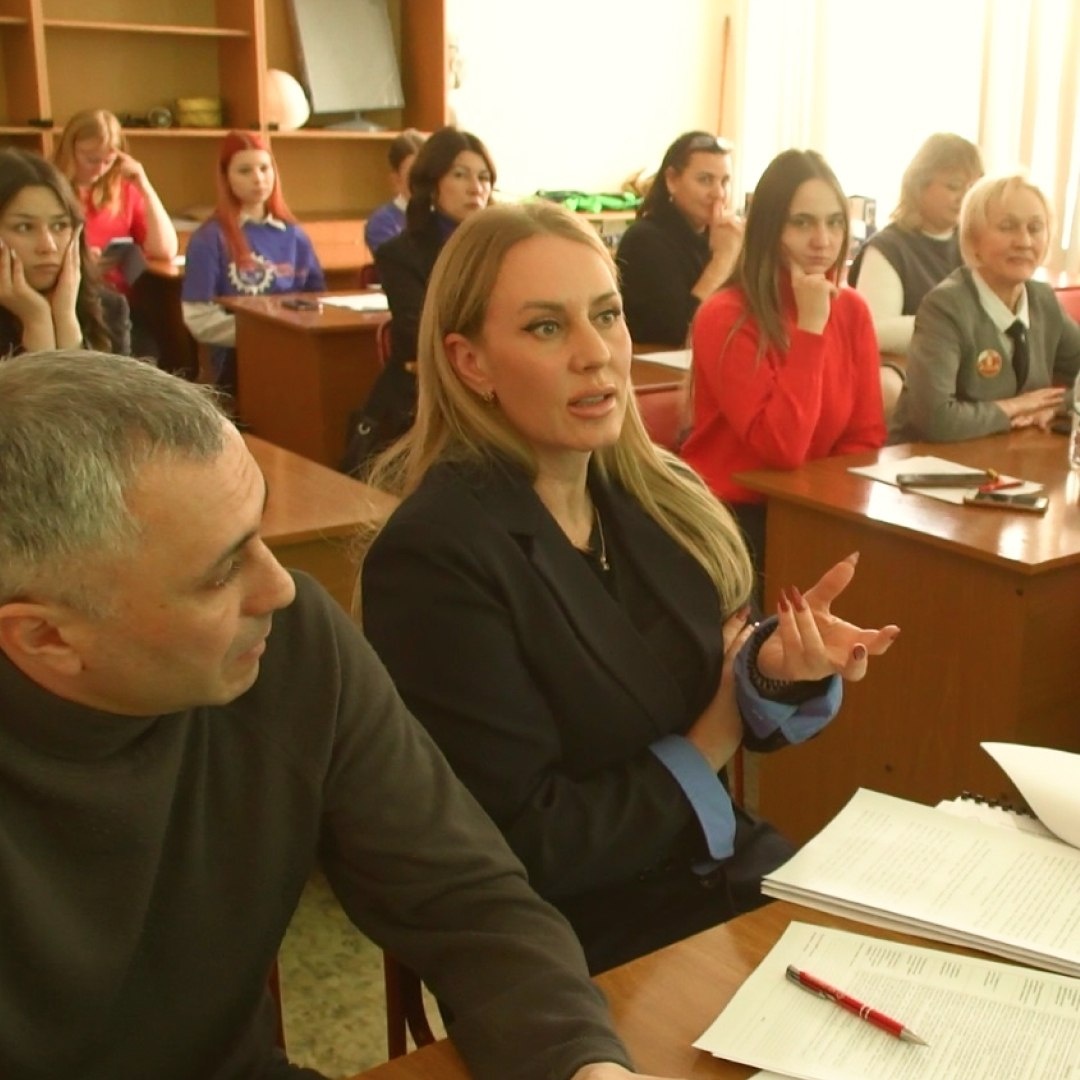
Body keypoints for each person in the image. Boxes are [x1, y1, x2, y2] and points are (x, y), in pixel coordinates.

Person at [0, 348, 683, 1080]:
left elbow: (464, 898)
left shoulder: (288, 650)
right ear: (45, 637)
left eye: (260, 532)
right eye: (222, 572)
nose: (281, 588)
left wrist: (583, 1065)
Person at [359, 202, 900, 975]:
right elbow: (530, 842)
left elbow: (714, 678)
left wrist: (776, 667)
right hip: (581, 941)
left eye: (606, 315)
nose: (596, 354)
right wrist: (711, 738)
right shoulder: (434, 557)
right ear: (470, 362)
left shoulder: (653, 497)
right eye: (547, 327)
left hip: (717, 871)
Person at [680, 149, 886, 572]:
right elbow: (781, 448)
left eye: (834, 222)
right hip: (731, 520)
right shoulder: (725, 316)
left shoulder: (852, 310)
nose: (822, 240)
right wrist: (810, 328)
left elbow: (865, 438)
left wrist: (819, 501)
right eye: (802, 223)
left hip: (815, 506)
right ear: (770, 229)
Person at [342, 126, 494, 472]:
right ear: (432, 183)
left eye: (484, 177)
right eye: (460, 175)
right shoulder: (401, 253)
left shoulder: (507, 251)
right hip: (424, 396)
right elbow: (418, 333)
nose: (476, 187)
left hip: (494, 382)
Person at [889, 173, 1080, 443]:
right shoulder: (945, 307)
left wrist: (1057, 406)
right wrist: (1014, 407)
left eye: (1035, 228)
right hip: (926, 460)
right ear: (973, 239)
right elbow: (936, 420)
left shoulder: (1043, 300)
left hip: (1012, 456)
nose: (1024, 241)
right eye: (1007, 227)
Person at [848, 133, 983, 415]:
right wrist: (953, 328)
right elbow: (873, 329)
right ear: (919, 185)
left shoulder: (975, 243)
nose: (965, 197)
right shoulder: (888, 248)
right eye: (953, 186)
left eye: (973, 187)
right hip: (907, 367)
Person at [182, 131, 325, 394]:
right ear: (226, 177)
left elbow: (316, 301)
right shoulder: (209, 238)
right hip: (237, 357)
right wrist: (264, 336)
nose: (258, 179)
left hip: (295, 350)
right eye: (245, 171)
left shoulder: (294, 235)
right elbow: (199, 319)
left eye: (264, 168)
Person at [615, 131, 743, 346]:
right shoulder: (644, 241)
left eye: (725, 181)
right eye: (705, 180)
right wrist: (722, 260)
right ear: (672, 180)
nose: (719, 193)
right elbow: (678, 333)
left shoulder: (722, 235)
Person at [0, 148, 129, 356]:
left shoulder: (109, 308)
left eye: (59, 226)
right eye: (24, 227)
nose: (48, 246)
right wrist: (37, 321)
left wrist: (66, 319)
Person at [54, 108, 179, 296]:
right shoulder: (48, 189)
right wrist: (80, 259)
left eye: (108, 161)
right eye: (91, 160)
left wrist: (144, 186)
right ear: (69, 150)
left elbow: (165, 250)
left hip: (119, 298)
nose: (100, 169)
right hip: (70, 294)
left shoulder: (123, 190)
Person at [364, 128, 426, 256]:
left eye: (426, 172)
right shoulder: (382, 223)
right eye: (413, 174)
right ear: (396, 180)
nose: (421, 181)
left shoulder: (441, 214)